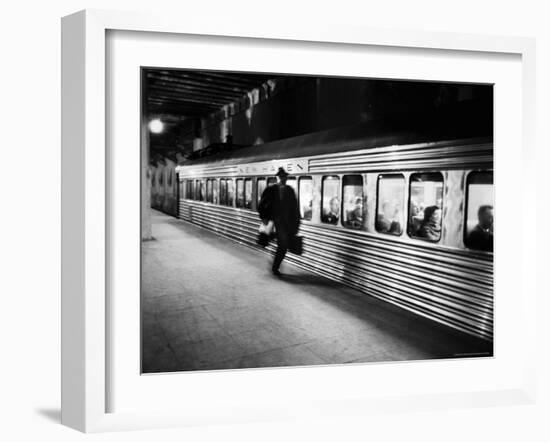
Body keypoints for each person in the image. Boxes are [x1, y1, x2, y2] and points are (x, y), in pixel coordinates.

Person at [258, 167, 301, 276]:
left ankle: (275, 267)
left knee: (283, 246)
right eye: (281, 177)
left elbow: (295, 208)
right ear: (278, 177)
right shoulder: (271, 189)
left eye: (285, 177)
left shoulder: (290, 190)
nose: (283, 178)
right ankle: (275, 264)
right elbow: (261, 204)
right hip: (272, 222)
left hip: (285, 224)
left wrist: (296, 223)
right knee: (278, 244)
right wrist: (264, 217)